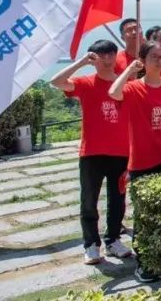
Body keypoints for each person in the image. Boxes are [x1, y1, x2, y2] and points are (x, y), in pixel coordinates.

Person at [109, 41, 161, 284]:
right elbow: (113, 93)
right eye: (153, 56)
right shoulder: (134, 88)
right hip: (143, 161)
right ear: (143, 61)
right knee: (144, 217)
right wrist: (129, 70)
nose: (159, 60)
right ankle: (145, 264)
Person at [51, 40, 134, 265]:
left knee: (118, 200)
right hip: (92, 153)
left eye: (110, 55)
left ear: (116, 56)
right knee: (89, 200)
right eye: (101, 56)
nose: (107, 60)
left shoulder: (126, 83)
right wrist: (80, 63)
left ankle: (113, 240)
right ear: (93, 59)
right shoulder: (86, 82)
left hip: (120, 152)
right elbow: (56, 82)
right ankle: (91, 244)